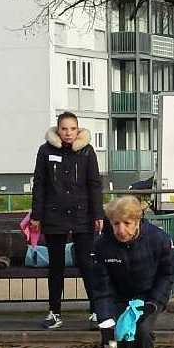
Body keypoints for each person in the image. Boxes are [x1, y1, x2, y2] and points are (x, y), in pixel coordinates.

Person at [91, 196, 174, 348]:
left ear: (137, 220)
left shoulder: (159, 239)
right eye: (116, 224)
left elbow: (167, 274)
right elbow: (101, 288)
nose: (120, 230)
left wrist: (154, 303)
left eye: (127, 223)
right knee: (124, 335)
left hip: (148, 296)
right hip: (121, 297)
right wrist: (106, 325)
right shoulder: (102, 245)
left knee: (144, 332)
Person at [30, 111, 104, 329]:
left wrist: (98, 214)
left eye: (72, 129)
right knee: (56, 266)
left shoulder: (87, 151)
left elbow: (94, 184)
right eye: (64, 129)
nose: (68, 133)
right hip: (54, 216)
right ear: (58, 129)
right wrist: (36, 215)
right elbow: (39, 184)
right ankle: (54, 312)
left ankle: (96, 311)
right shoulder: (45, 151)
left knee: (87, 263)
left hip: (82, 216)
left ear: (78, 130)